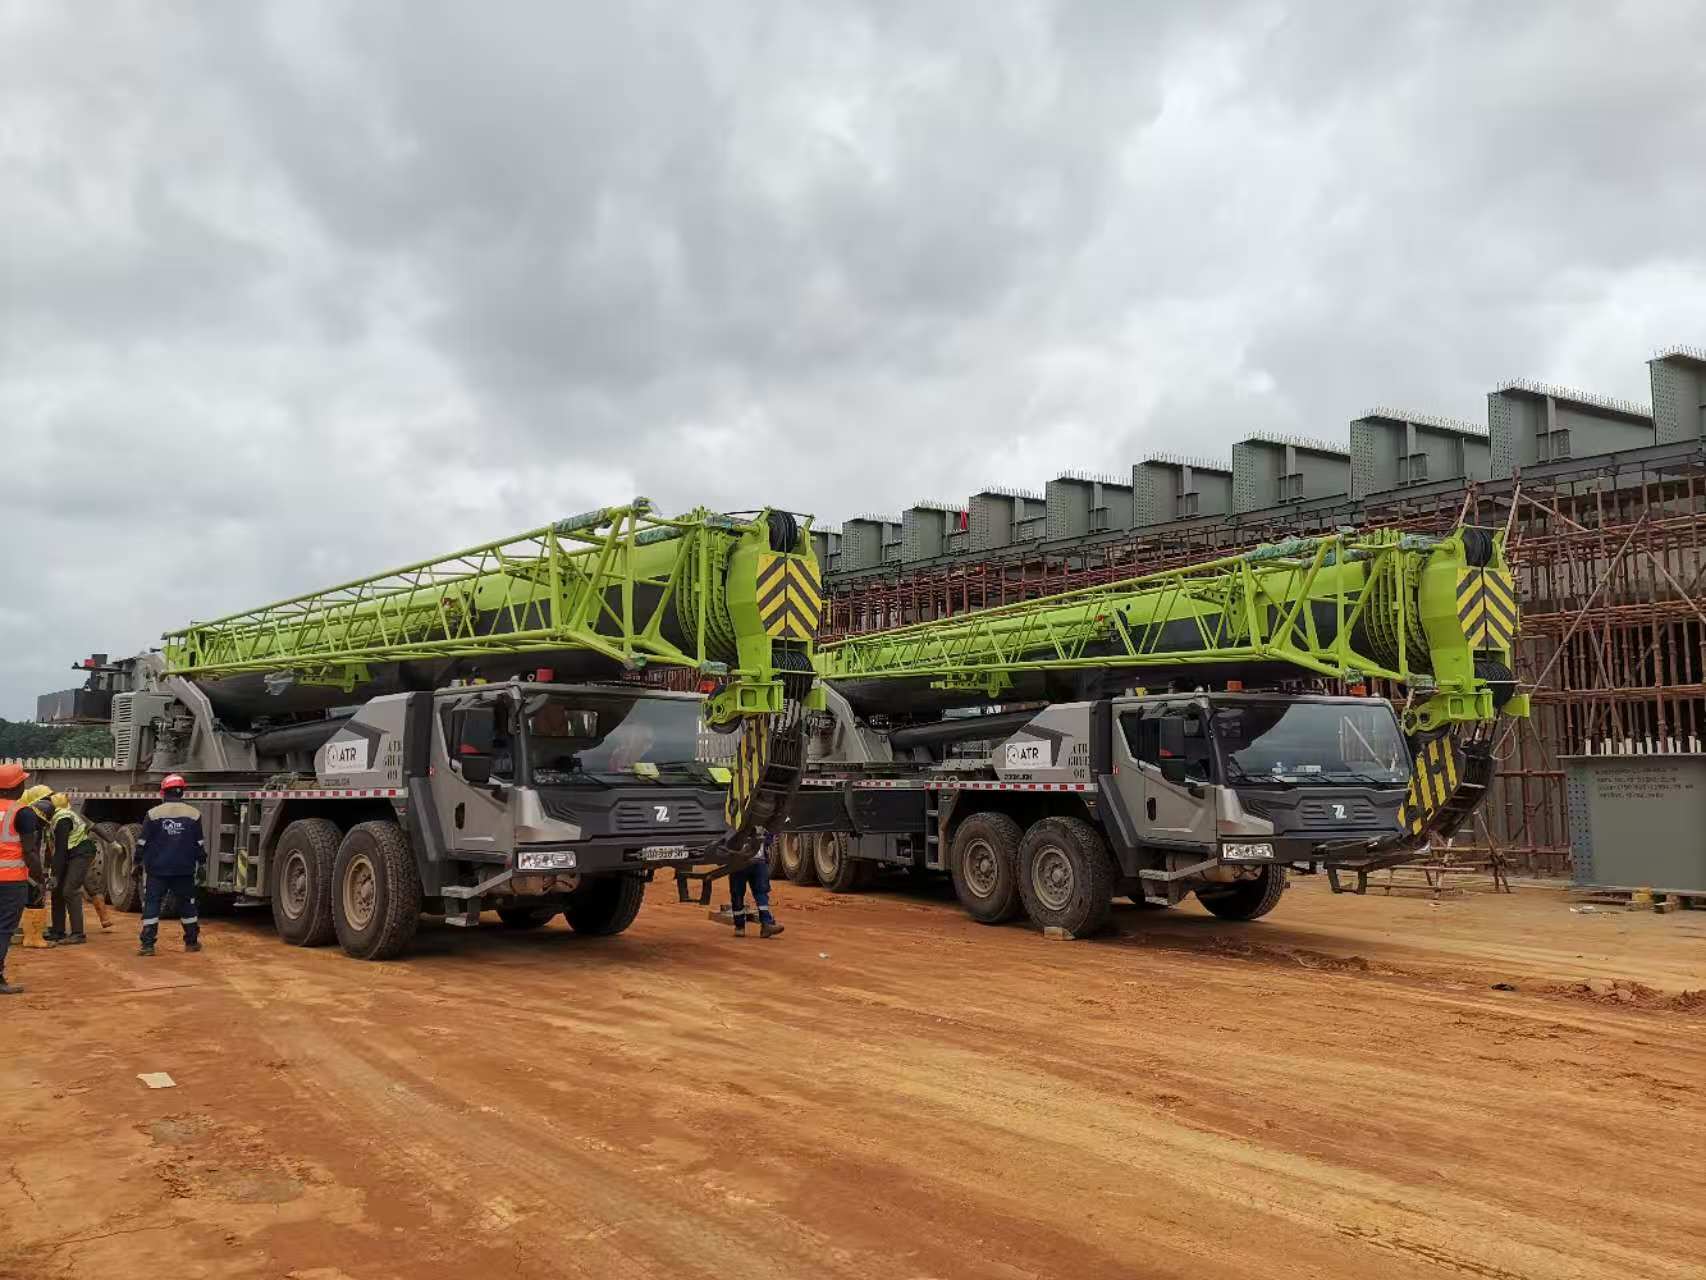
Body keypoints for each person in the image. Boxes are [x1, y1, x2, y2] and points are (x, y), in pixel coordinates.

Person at [135, 774, 205, 957]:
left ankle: (148, 945)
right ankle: (191, 942)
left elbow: (142, 842)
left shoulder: (153, 814)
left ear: (163, 791)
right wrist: (202, 865)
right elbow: (199, 844)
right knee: (187, 905)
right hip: (184, 870)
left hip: (157, 870)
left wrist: (136, 863)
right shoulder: (194, 814)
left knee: (152, 904)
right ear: (182, 792)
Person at [0, 763, 51, 994]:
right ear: (17, 786)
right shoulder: (22, 812)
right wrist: (39, 879)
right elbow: (30, 851)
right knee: (3, 929)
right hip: (10, 881)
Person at [45, 793, 101, 945]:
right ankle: (58, 930)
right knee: (57, 891)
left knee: (69, 890)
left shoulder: (62, 819)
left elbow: (61, 850)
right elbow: (54, 849)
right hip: (69, 853)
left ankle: (78, 934)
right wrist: (51, 873)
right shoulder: (54, 817)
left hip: (81, 853)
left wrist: (55, 875)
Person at [11, 784, 58, 953]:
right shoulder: (22, 817)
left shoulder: (19, 815)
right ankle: (29, 935)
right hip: (14, 869)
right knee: (23, 897)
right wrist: (37, 878)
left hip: (16, 868)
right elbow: (28, 851)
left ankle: (26, 933)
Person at [725, 831, 784, 939]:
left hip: (757, 861)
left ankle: (767, 924)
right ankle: (739, 926)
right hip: (738, 862)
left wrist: (767, 840)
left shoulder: (761, 817)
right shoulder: (732, 817)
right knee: (737, 894)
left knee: (761, 893)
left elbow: (771, 832)